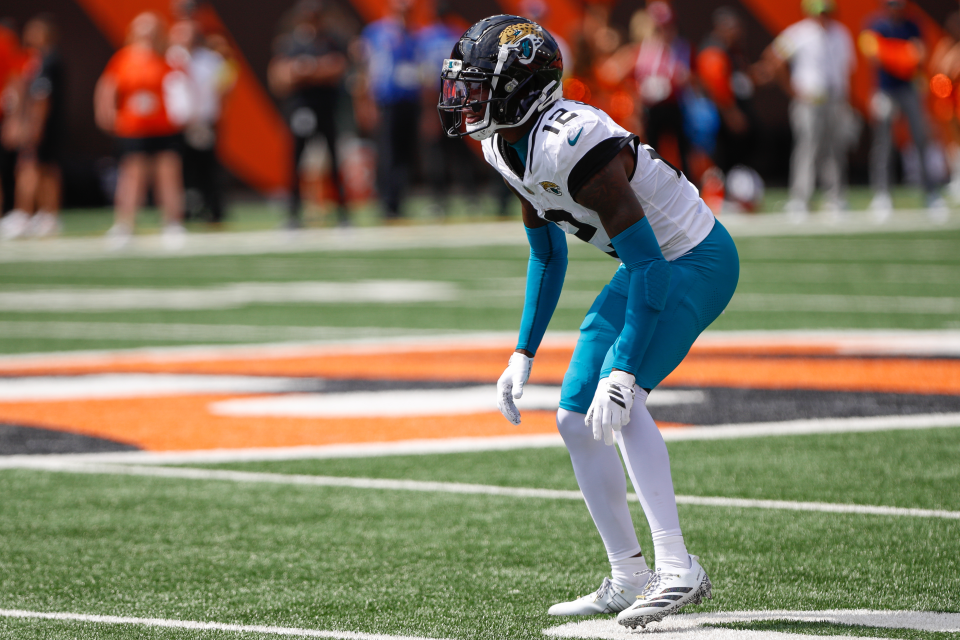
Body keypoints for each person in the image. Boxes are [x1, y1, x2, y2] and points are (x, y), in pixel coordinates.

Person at [438, 15, 739, 628]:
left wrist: (624, 368)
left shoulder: (572, 141)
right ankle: (629, 576)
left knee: (620, 401)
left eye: (478, 87)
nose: (465, 99)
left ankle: (677, 567)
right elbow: (547, 254)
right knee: (574, 417)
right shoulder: (504, 144)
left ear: (520, 89)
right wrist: (523, 352)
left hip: (693, 260)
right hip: (645, 265)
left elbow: (651, 264)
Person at [95, 12, 191, 249]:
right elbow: (108, 86)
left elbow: (181, 87)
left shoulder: (169, 57)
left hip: (164, 126)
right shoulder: (124, 58)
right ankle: (124, 225)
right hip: (134, 127)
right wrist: (106, 113)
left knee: (168, 174)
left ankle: (173, 223)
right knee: (132, 175)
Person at [756, 0, 855, 220]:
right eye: (820, 12)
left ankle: (835, 197)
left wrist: (847, 99)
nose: (823, 16)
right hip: (810, 99)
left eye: (827, 11)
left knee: (834, 148)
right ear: (809, 12)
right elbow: (773, 56)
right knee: (807, 148)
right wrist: (792, 89)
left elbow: (848, 68)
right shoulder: (799, 32)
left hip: (835, 99)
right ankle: (800, 199)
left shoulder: (841, 33)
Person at [861, 0, 946, 220]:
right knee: (883, 144)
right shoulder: (875, 24)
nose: (896, 10)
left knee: (921, 140)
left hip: (909, 89)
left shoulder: (913, 24)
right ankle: (882, 195)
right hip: (885, 91)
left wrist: (892, 52)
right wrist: (904, 55)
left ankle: (931, 192)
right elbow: (873, 53)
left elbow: (921, 53)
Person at [269, 0, 348, 228]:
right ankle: (293, 214)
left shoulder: (332, 40)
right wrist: (315, 70)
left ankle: (343, 213)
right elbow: (279, 77)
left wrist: (306, 70)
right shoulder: (290, 42)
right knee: (295, 161)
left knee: (333, 159)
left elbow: (337, 68)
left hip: (326, 106)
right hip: (299, 107)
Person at [0, 14, 64, 239]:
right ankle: (46, 215)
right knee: (42, 168)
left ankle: (25, 214)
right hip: (41, 124)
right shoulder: (35, 60)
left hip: (41, 125)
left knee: (30, 167)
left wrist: (32, 125)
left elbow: (42, 97)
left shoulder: (48, 61)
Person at [168, 19, 235, 226]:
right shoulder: (169, 58)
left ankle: (213, 210)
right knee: (177, 170)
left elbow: (226, 85)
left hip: (203, 122)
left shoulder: (212, 59)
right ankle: (182, 211)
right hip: (174, 124)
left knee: (208, 168)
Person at [358, 0, 420, 220]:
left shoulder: (413, 35)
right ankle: (386, 202)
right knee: (388, 153)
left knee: (405, 153)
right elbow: (365, 69)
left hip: (409, 100)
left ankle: (399, 201)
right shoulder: (375, 33)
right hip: (386, 101)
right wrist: (366, 102)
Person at [696, 7, 760, 173]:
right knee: (724, 159)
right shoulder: (713, 50)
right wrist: (731, 113)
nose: (738, 33)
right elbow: (716, 87)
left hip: (735, 110)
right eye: (734, 28)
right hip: (720, 116)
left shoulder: (733, 49)